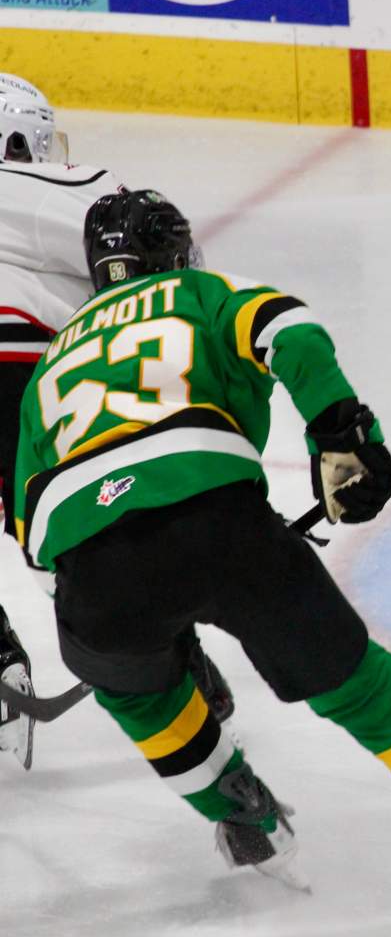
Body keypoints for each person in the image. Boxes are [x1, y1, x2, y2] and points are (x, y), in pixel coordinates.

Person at [12, 188, 391, 900]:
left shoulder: (51, 362)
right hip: (220, 521)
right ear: (174, 253)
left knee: (137, 694)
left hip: (93, 561)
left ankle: (241, 814)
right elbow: (289, 329)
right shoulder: (196, 292)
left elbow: (30, 531)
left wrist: (98, 617)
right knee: (354, 682)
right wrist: (342, 434)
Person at [0, 73, 233, 770]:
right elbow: (174, 260)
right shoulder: (60, 187)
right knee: (70, 539)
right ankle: (172, 651)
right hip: (42, 380)